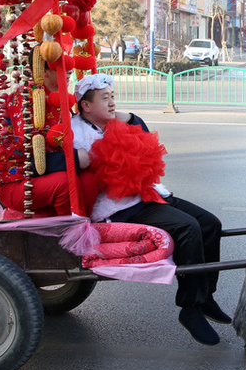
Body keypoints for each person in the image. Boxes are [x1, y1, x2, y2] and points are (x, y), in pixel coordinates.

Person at [72, 73, 230, 346]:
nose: (112, 103)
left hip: (146, 194)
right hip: (120, 207)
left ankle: (207, 297)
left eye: (113, 97)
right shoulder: (77, 133)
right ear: (85, 106)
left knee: (210, 224)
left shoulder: (114, 122)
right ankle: (190, 308)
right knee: (187, 228)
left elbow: (145, 136)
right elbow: (66, 163)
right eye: (105, 99)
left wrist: (122, 115)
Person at [0, 61, 99, 217]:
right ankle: (70, 234)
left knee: (90, 180)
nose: (69, 72)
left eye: (68, 67)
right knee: (66, 183)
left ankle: (80, 225)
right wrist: (74, 159)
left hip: (47, 174)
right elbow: (30, 149)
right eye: (62, 67)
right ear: (43, 72)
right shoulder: (25, 97)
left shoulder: (59, 98)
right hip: (20, 181)